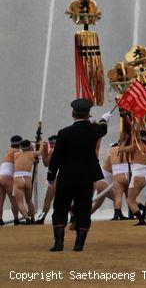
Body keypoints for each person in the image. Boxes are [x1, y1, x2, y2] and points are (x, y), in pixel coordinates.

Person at [47, 98, 112, 252]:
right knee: (83, 209)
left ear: (72, 114)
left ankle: (59, 244)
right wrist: (104, 119)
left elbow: (56, 157)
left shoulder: (63, 133)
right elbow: (103, 129)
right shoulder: (93, 130)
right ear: (88, 114)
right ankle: (79, 245)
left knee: (60, 208)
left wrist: (50, 176)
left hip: (66, 176)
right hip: (86, 177)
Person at [12, 139, 38, 222]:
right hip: (27, 179)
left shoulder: (16, 154)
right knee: (29, 200)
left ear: (20, 146)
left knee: (20, 202)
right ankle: (33, 218)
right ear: (29, 146)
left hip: (18, 178)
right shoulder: (32, 154)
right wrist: (38, 143)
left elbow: (21, 158)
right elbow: (39, 152)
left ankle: (27, 219)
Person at [36, 136, 58, 224]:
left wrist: (42, 148)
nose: (49, 145)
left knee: (48, 199)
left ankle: (42, 218)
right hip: (64, 176)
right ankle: (73, 216)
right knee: (66, 198)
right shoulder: (65, 149)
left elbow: (46, 162)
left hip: (55, 177)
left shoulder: (53, 151)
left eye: (50, 143)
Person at [1, 135, 22, 224]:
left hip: (0, 175)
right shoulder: (17, 152)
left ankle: (0, 220)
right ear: (19, 143)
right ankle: (16, 219)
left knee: (1, 200)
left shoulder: (9, 151)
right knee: (14, 199)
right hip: (8, 177)